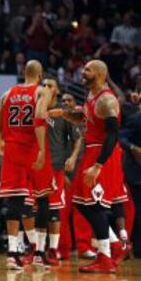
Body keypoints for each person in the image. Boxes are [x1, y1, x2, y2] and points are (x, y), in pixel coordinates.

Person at [48, 60, 130, 273]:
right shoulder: (91, 96)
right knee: (82, 203)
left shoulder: (107, 100)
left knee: (94, 206)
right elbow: (83, 118)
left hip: (103, 154)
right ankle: (114, 247)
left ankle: (106, 258)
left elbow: (113, 135)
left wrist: (98, 165)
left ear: (101, 74)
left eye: (88, 70)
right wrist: (64, 114)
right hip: (91, 151)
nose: (83, 73)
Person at [0, 60, 52, 270]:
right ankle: (38, 253)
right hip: (32, 148)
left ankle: (12, 254)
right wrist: (42, 150)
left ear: (23, 72)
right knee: (43, 198)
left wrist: (0, 143)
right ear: (40, 75)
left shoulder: (7, 93)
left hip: (12, 150)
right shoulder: (41, 91)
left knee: (15, 202)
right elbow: (38, 119)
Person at [40, 79, 83, 265]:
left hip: (56, 166)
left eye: (50, 86)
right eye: (44, 85)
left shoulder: (62, 112)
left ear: (56, 90)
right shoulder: (36, 108)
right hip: (37, 166)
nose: (47, 88)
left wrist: (72, 158)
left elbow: (78, 138)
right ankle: (37, 250)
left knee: (55, 209)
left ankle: (56, 249)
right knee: (35, 210)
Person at [58, 93, 96, 260]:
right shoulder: (57, 120)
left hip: (82, 170)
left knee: (83, 210)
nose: (66, 102)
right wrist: (61, 171)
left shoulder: (82, 119)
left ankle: (84, 246)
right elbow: (54, 148)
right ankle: (62, 249)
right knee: (62, 212)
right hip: (64, 172)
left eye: (69, 100)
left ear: (75, 103)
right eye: (63, 100)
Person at [119, 110, 141, 258]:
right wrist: (133, 148)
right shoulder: (135, 118)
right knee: (138, 211)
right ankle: (137, 247)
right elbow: (121, 137)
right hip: (136, 172)